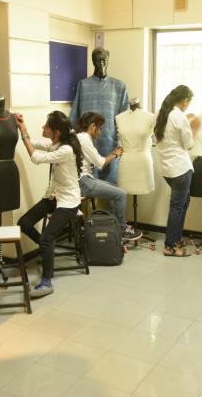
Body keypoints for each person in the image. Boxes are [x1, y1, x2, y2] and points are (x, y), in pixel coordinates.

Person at [17, 111, 83, 298]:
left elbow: (36, 158)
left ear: (57, 132)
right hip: (53, 197)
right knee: (24, 223)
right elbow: (33, 142)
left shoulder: (66, 150)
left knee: (47, 237)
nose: (43, 127)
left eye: (46, 126)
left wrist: (25, 137)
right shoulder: (56, 144)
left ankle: (46, 282)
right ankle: (47, 250)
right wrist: (23, 127)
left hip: (68, 202)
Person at [75, 112, 142, 240]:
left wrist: (113, 153)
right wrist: (115, 154)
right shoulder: (84, 138)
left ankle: (114, 226)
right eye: (100, 129)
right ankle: (122, 229)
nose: (100, 133)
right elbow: (100, 163)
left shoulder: (80, 137)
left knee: (116, 190)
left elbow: (97, 162)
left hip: (85, 179)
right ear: (93, 126)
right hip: (83, 182)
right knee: (121, 194)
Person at [70, 48, 129, 184]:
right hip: (87, 145)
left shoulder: (119, 87)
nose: (101, 63)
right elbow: (74, 118)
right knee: (88, 184)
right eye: (98, 60)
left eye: (104, 60)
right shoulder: (83, 85)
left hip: (110, 143)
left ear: (108, 61)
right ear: (93, 61)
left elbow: (125, 120)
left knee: (112, 187)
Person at [154, 85, 198, 257]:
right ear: (185, 101)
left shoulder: (161, 113)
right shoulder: (179, 117)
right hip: (180, 168)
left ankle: (177, 239)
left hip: (168, 169)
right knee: (177, 207)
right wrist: (193, 129)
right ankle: (170, 246)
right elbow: (189, 144)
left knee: (183, 202)